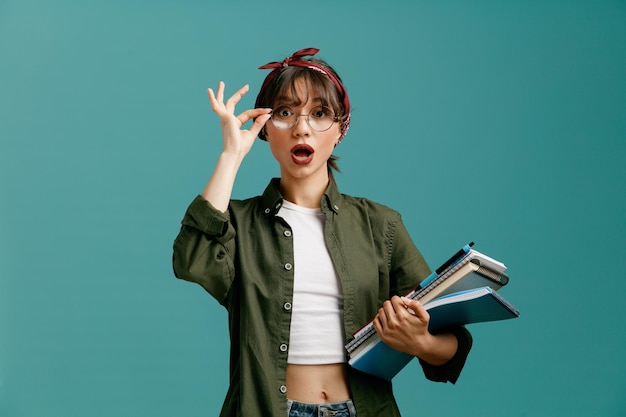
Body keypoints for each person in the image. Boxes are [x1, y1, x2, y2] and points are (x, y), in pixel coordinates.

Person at [172, 47, 472, 417]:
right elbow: (191, 261)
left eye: (319, 114)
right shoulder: (237, 223)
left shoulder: (381, 226)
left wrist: (420, 340)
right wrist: (231, 156)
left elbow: (451, 339)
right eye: (284, 113)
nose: (301, 127)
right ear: (265, 127)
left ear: (340, 130)